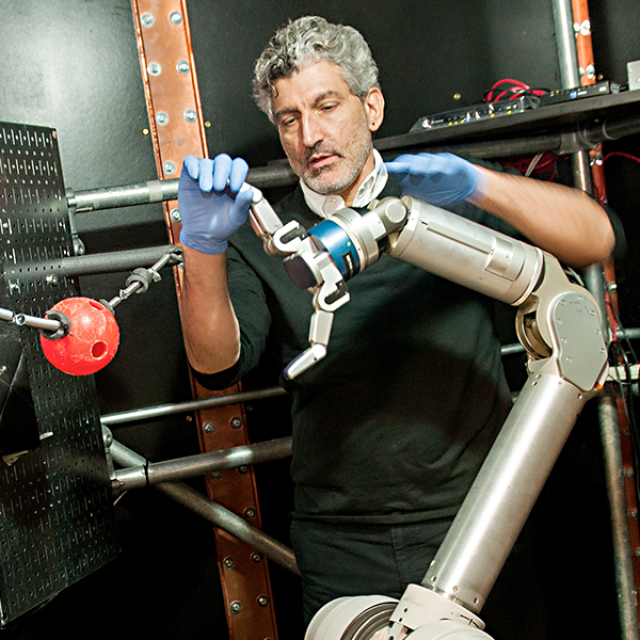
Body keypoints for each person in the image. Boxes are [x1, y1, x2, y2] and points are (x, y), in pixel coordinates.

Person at [177, 15, 616, 636]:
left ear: (372, 106)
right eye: (290, 119)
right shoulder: (266, 242)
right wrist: (200, 245)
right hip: (342, 542)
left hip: (480, 514)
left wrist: (481, 185)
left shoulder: (445, 201)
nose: (311, 135)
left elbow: (596, 237)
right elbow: (215, 366)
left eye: (327, 105)